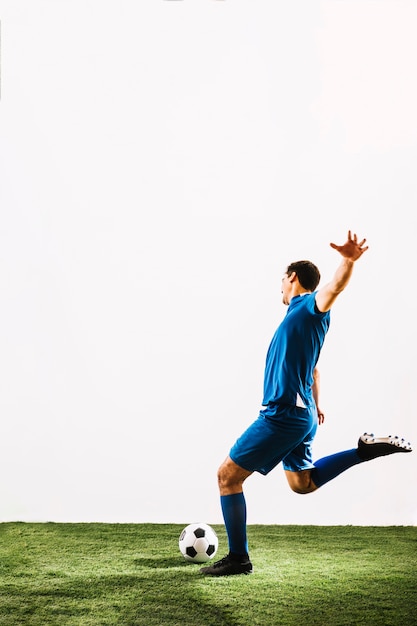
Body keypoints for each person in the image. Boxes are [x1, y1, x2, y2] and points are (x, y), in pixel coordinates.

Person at [200, 230, 412, 577]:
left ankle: (239, 557)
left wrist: (348, 261)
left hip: (282, 416)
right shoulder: (296, 322)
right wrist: (316, 405)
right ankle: (363, 451)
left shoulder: (308, 307)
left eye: (282, 280)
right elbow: (312, 367)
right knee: (303, 484)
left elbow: (334, 288)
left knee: (227, 477)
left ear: (293, 278)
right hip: (302, 415)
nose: (280, 287)